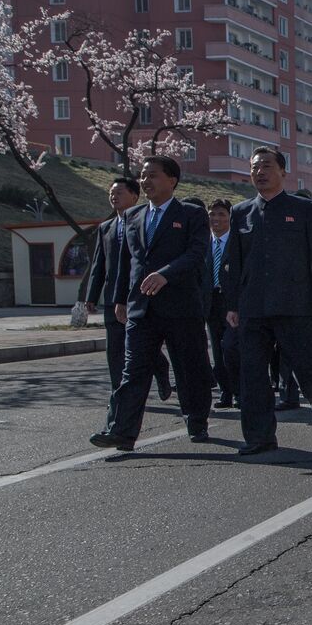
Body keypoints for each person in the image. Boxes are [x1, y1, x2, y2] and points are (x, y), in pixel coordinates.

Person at [90, 156, 213, 450]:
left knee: (189, 367)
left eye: (153, 175)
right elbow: (124, 262)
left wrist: (165, 275)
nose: (146, 181)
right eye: (143, 176)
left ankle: (196, 419)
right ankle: (121, 430)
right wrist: (120, 299)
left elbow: (197, 254)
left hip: (181, 307)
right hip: (141, 308)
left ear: (172, 180)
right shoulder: (133, 216)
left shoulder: (192, 214)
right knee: (132, 371)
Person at [223, 147, 312, 456]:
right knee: (253, 373)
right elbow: (233, 259)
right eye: (255, 167)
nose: (260, 172)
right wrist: (232, 303)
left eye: (267, 166)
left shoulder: (303, 209)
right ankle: (259, 436)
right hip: (253, 306)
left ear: (283, 172)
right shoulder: (241, 212)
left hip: (293, 303)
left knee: (304, 365)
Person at [82, 176, 172, 400]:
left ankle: (160, 370)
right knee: (115, 348)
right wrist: (91, 296)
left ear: (134, 196)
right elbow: (99, 265)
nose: (114, 196)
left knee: (142, 344)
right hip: (113, 296)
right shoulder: (106, 228)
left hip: (140, 294)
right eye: (111, 193)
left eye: (119, 192)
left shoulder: (147, 221)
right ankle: (118, 394)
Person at [204, 198, 237, 409]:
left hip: (232, 302)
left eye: (221, 215)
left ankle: (240, 391)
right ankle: (226, 391)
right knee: (217, 350)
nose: (216, 219)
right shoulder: (202, 243)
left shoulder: (237, 242)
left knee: (232, 348)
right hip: (211, 302)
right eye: (213, 215)